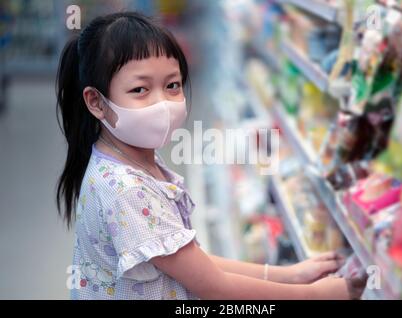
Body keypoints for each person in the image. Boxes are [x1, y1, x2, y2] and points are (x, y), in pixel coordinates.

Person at [56, 11, 365, 300]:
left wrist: (291, 275)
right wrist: (317, 294)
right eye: (140, 90)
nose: (162, 103)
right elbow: (214, 287)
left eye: (172, 85)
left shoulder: (131, 158)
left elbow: (191, 260)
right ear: (96, 102)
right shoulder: (128, 191)